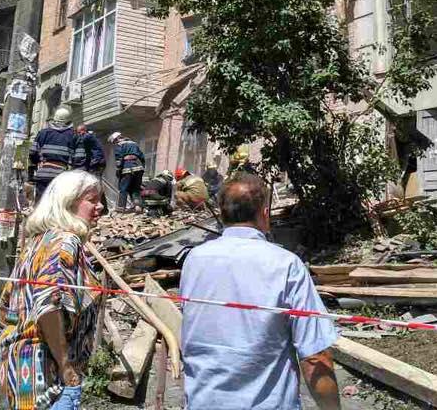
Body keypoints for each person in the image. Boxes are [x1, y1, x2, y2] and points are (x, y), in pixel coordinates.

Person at [179, 173, 340, 410]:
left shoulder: (193, 261)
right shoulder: (285, 265)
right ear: (265, 214)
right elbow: (315, 356)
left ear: (222, 215)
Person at [0, 170, 103, 410]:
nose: (100, 207)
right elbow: (48, 305)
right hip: (44, 378)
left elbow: (5, 307)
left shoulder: (39, 242)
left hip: (13, 371)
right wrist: (65, 367)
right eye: (92, 200)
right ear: (68, 201)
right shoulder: (65, 242)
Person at [29, 107, 77, 202]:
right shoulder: (73, 135)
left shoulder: (43, 133)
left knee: (41, 203)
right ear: (68, 120)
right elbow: (76, 158)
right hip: (62, 176)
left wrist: (37, 163)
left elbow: (32, 153)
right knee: (57, 204)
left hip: (43, 174)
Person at [72, 124, 107, 211]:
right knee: (95, 184)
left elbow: (80, 140)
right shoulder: (90, 137)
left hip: (97, 163)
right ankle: (103, 208)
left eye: (79, 132)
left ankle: (102, 208)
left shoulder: (88, 136)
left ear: (83, 131)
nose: (79, 134)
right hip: (97, 162)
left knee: (95, 185)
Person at [109, 132, 145, 212]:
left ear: (116, 139)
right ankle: (138, 206)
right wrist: (143, 168)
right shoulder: (134, 143)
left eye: (114, 142)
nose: (115, 143)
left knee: (123, 188)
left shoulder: (120, 145)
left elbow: (119, 159)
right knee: (135, 189)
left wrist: (118, 171)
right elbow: (142, 156)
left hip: (127, 168)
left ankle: (120, 208)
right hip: (139, 167)